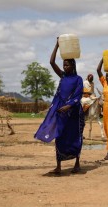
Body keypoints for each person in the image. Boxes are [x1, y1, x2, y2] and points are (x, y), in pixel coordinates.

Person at [34, 37, 85, 174]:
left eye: (67, 65)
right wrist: (57, 45)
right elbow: (51, 62)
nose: (65, 67)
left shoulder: (78, 79)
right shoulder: (63, 76)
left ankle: (77, 163)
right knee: (59, 136)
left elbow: (78, 95)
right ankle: (58, 166)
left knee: (75, 136)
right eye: (64, 65)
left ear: (73, 65)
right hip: (60, 111)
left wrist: (69, 106)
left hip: (73, 112)